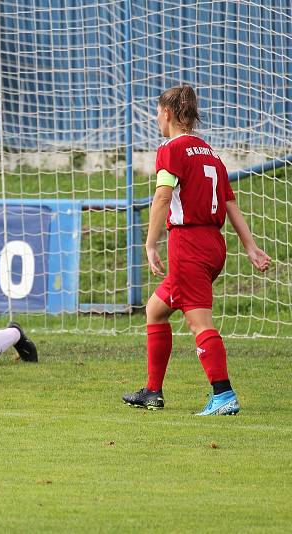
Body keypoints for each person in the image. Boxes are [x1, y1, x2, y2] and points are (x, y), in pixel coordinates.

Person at [123, 85, 271, 415]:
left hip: (188, 245)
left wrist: (150, 243)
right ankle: (153, 391)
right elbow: (230, 203)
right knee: (155, 310)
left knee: (199, 323)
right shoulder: (208, 152)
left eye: (158, 111)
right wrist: (250, 247)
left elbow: (162, 197)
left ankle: (223, 394)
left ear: (168, 113)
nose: (155, 117)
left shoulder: (171, 149)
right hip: (213, 245)